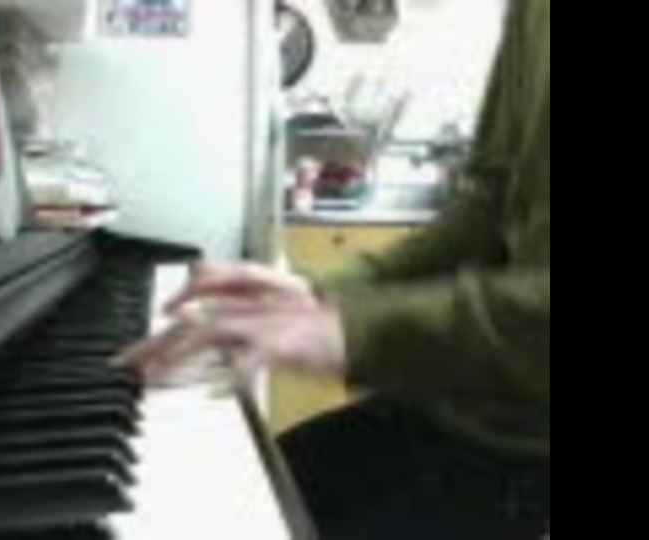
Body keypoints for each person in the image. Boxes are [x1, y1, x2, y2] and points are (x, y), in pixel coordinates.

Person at [121, 0, 550, 538]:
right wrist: (319, 296)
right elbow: (488, 202)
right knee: (235, 501)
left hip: (526, 445)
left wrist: (351, 330)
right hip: (455, 402)